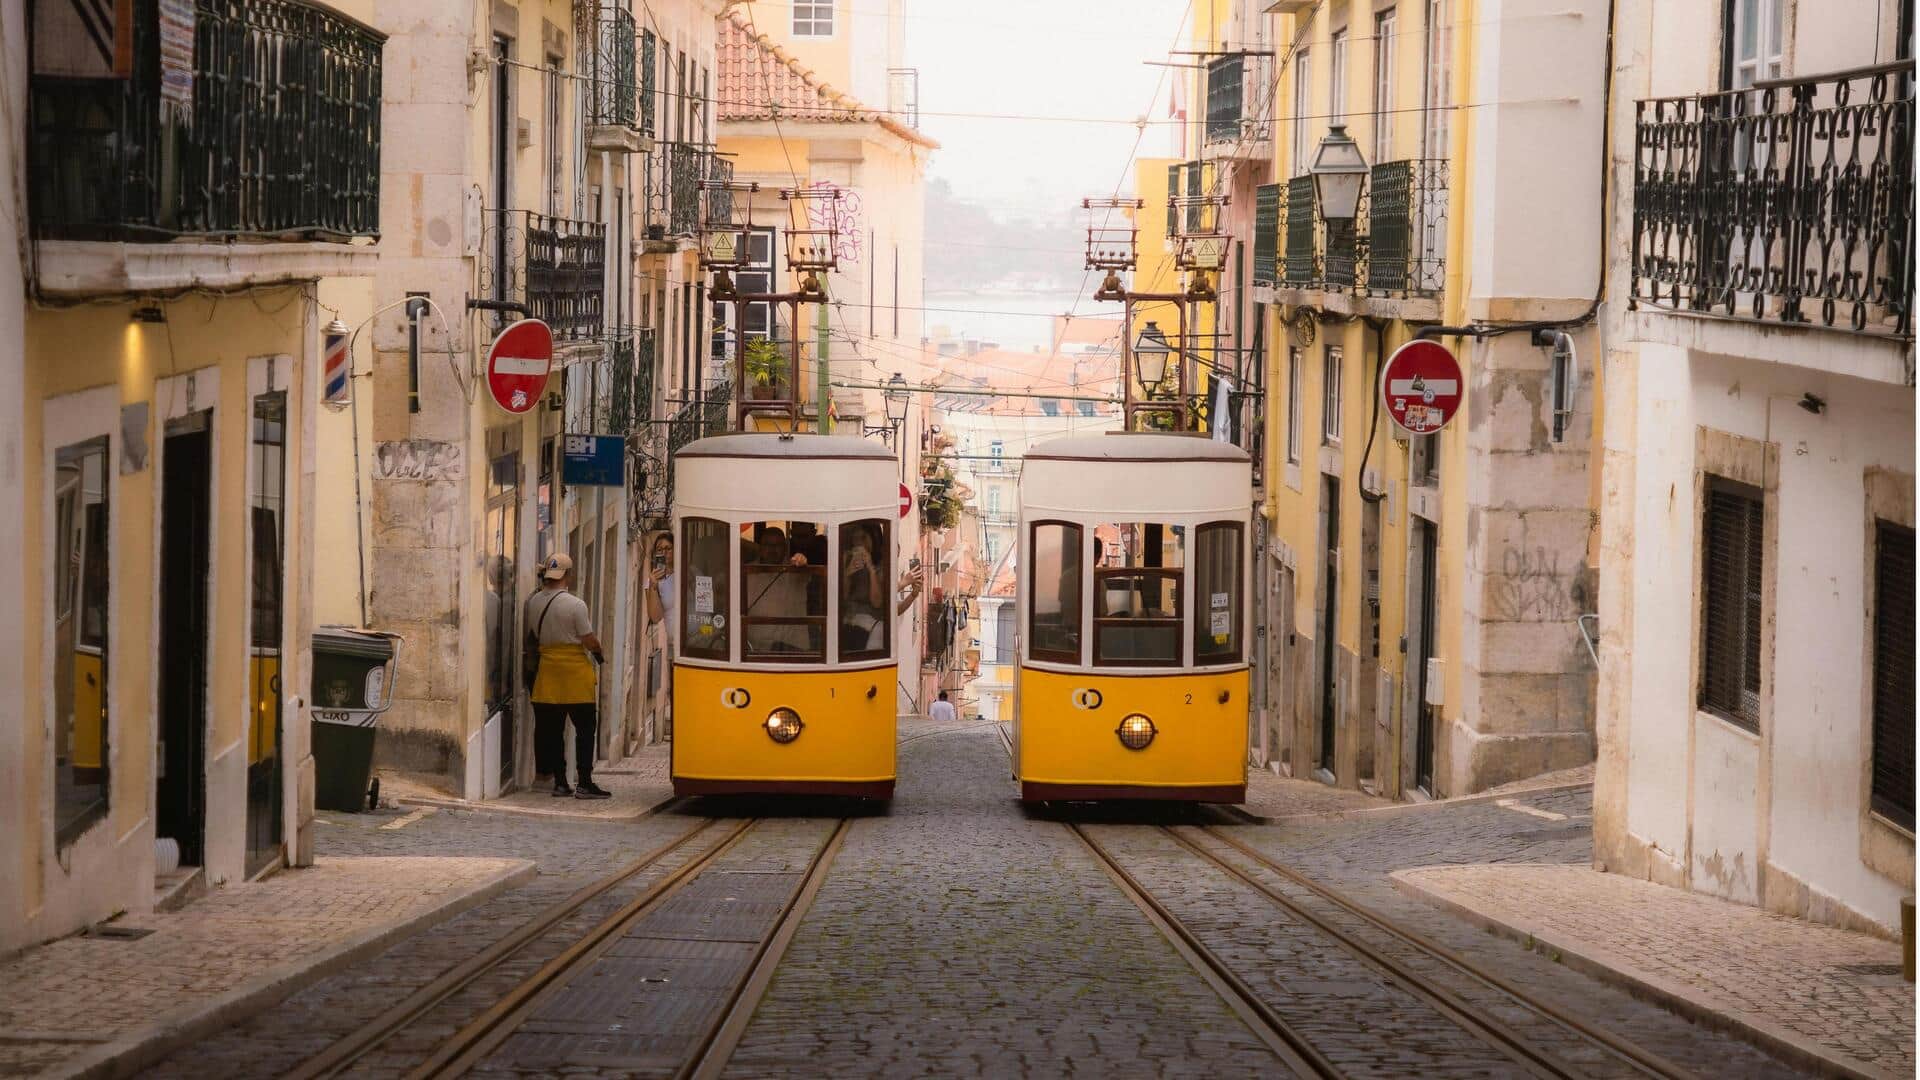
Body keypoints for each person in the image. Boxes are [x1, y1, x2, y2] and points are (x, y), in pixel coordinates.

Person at [525, 553, 610, 799]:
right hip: (575, 673)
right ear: (569, 575)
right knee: (585, 729)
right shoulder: (576, 605)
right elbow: (587, 638)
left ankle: (560, 782)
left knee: (553, 731)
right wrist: (598, 650)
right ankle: (584, 781)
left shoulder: (533, 603)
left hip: (548, 672)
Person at [840, 524, 887, 652]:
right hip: (848, 622)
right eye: (855, 539)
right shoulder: (846, 560)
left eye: (863, 538)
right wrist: (847, 573)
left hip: (871, 625)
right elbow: (842, 597)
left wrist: (871, 569)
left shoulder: (882, 566)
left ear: (873, 539)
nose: (859, 542)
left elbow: (877, 602)